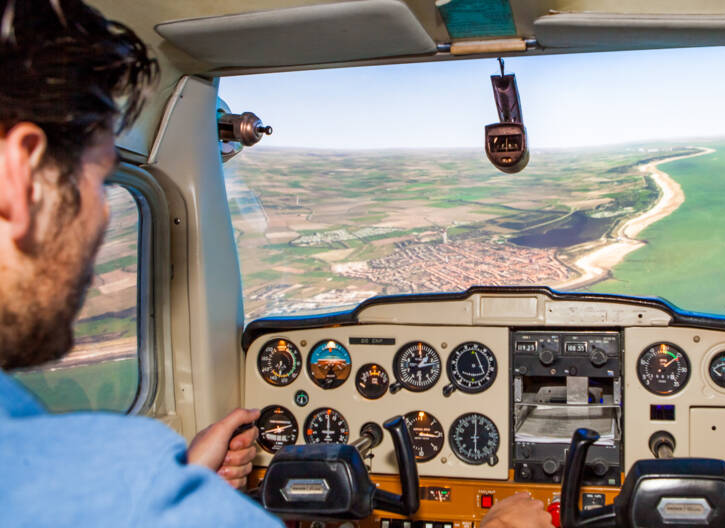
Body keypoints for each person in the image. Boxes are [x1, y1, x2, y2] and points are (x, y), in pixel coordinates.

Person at [0, 1, 556, 527]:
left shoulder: (73, 472)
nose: (101, 219)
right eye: (100, 181)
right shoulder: (119, 483)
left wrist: (193, 489)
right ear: (18, 175)